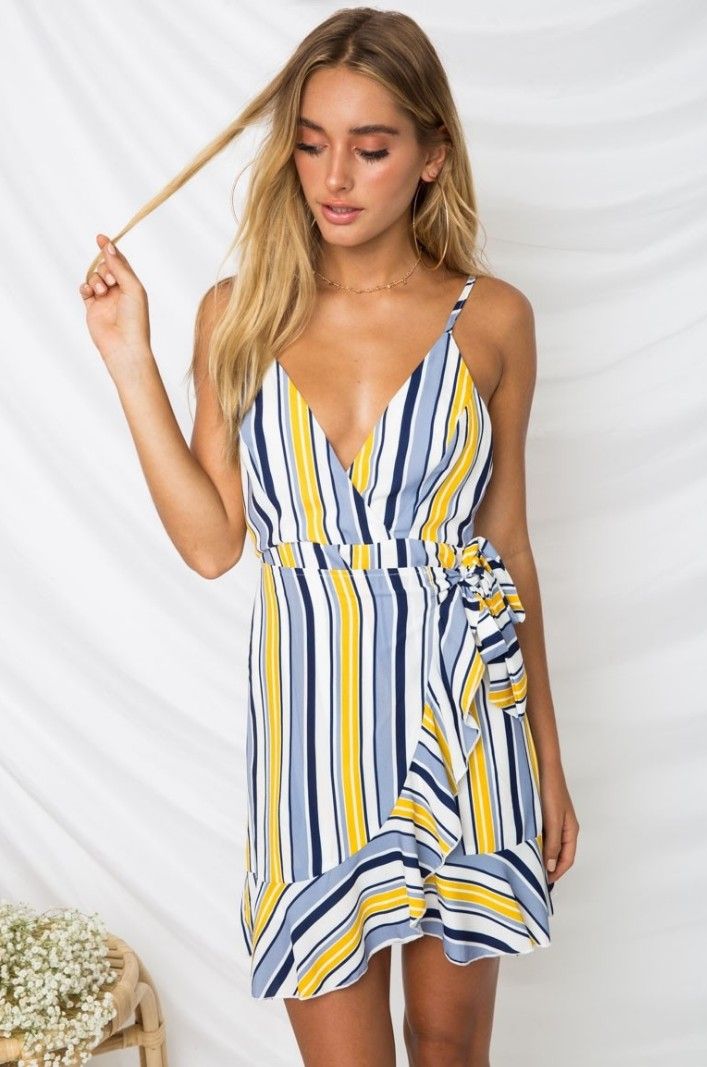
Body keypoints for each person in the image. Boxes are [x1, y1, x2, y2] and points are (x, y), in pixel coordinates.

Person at [79, 7, 578, 1065]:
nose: (334, 177)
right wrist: (129, 359)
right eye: (310, 144)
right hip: (313, 726)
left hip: (462, 708)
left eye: (370, 146)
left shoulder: (493, 319)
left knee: (448, 1049)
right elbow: (213, 543)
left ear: (432, 155)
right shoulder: (240, 312)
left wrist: (544, 752)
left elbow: (509, 544)